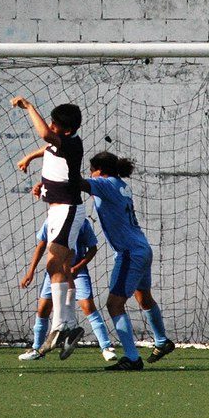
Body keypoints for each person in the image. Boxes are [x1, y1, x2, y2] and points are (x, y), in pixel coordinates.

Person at [60, 151, 174, 371]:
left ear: (99, 171)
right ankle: (161, 341)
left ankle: (132, 358)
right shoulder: (120, 184)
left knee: (114, 304)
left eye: (92, 171)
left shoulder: (105, 184)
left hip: (129, 252)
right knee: (144, 297)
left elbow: (77, 183)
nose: (91, 175)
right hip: (142, 247)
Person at [11, 97, 86, 358]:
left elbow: (44, 135)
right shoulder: (62, 144)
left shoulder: (71, 144)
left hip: (67, 209)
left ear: (65, 131)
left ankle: (61, 325)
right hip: (56, 209)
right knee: (61, 268)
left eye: (54, 124)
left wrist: (29, 107)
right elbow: (48, 150)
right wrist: (31, 158)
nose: (50, 127)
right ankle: (70, 326)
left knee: (54, 265)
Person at [18, 218, 117, 362]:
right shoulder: (51, 220)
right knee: (43, 309)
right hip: (54, 272)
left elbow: (93, 248)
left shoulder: (82, 222)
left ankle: (106, 347)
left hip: (77, 271)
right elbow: (41, 245)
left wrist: (77, 267)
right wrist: (31, 271)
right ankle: (37, 349)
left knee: (88, 306)